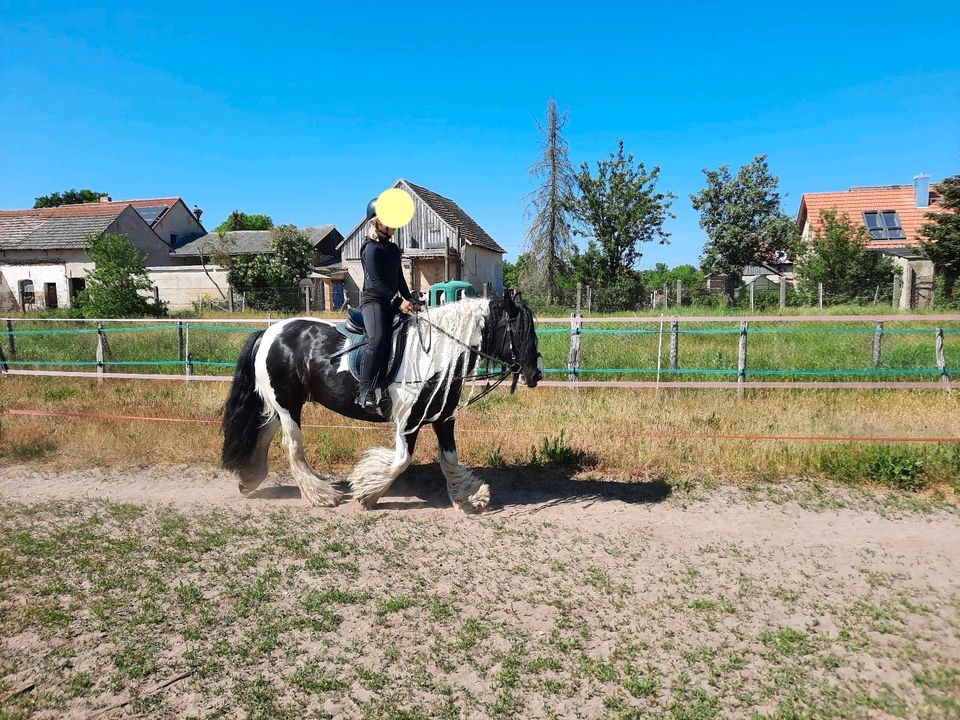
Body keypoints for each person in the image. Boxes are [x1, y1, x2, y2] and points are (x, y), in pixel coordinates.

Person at [356, 198, 415, 412]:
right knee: (378, 339)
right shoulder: (370, 249)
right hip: (373, 302)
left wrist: (411, 299)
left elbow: (399, 279)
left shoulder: (393, 249)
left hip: (391, 302)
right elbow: (377, 282)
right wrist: (399, 301)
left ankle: (389, 385)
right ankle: (364, 391)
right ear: (378, 222)